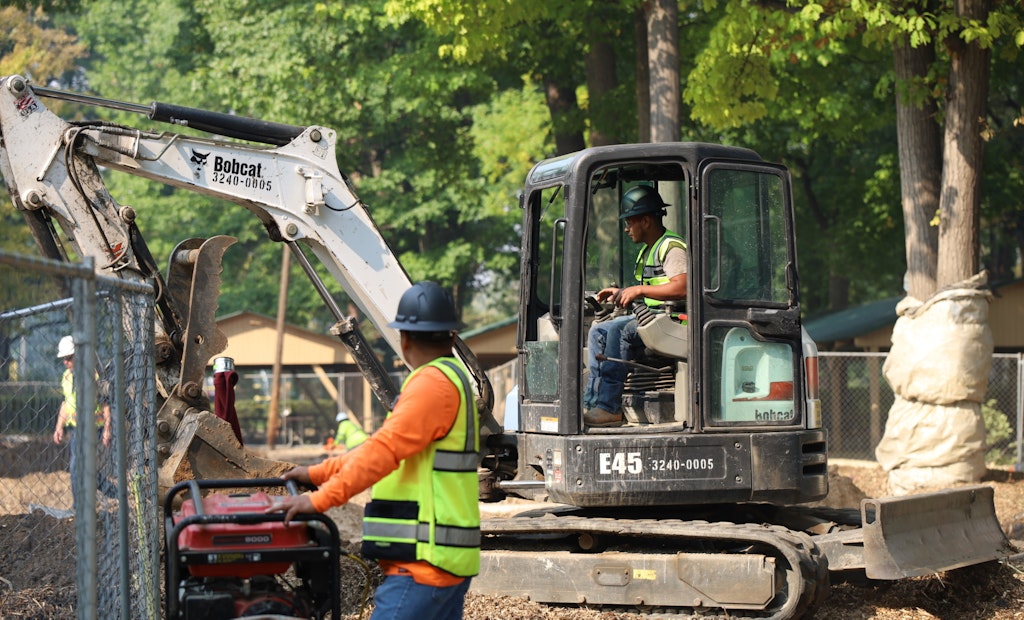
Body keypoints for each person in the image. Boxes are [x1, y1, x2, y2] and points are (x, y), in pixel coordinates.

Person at [267, 281, 480, 620]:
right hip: (439, 561)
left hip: (424, 565)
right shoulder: (447, 379)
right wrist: (317, 473)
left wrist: (318, 499)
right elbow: (381, 446)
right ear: (452, 336)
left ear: (404, 339)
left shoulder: (431, 385)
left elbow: (383, 452)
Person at [584, 186, 688, 428]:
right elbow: (654, 290)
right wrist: (622, 292)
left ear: (646, 220)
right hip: (654, 318)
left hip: (674, 322)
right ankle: (594, 403)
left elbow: (682, 287)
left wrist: (638, 290)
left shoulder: (671, 248)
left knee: (619, 331)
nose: (626, 228)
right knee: (598, 330)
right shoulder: (648, 250)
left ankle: (609, 408)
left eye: (630, 221)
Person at [52, 335, 117, 503]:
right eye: (63, 359)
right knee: (83, 469)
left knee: (78, 467)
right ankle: (115, 494)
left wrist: (107, 430)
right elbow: (66, 403)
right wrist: (59, 427)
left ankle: (80, 505)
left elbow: (105, 404)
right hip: (76, 429)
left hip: (93, 429)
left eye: (68, 358)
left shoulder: (92, 376)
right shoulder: (67, 377)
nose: (65, 362)